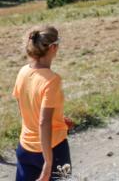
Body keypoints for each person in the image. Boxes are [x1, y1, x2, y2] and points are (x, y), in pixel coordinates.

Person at [12, 25, 73, 181]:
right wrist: (48, 162)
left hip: (25, 148)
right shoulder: (52, 80)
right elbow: (43, 122)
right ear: (52, 47)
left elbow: (25, 111)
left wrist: (58, 119)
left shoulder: (23, 72)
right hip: (51, 150)